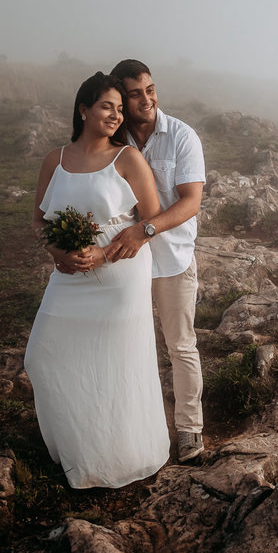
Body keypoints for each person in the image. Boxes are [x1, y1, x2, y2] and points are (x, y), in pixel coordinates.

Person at [23, 72, 169, 488]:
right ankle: (77, 448)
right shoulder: (56, 159)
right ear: (84, 109)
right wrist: (56, 251)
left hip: (120, 275)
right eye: (107, 105)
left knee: (115, 364)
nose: (115, 114)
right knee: (43, 355)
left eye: (120, 109)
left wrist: (105, 252)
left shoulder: (127, 159)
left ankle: (119, 456)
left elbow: (152, 218)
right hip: (68, 277)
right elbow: (37, 220)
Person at [104, 60, 206, 463]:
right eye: (135, 93)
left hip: (172, 259)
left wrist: (145, 230)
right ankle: (130, 429)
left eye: (150, 89)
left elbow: (191, 202)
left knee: (180, 346)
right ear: (121, 99)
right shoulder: (113, 140)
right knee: (127, 344)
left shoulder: (181, 136)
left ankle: (189, 431)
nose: (146, 99)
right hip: (125, 263)